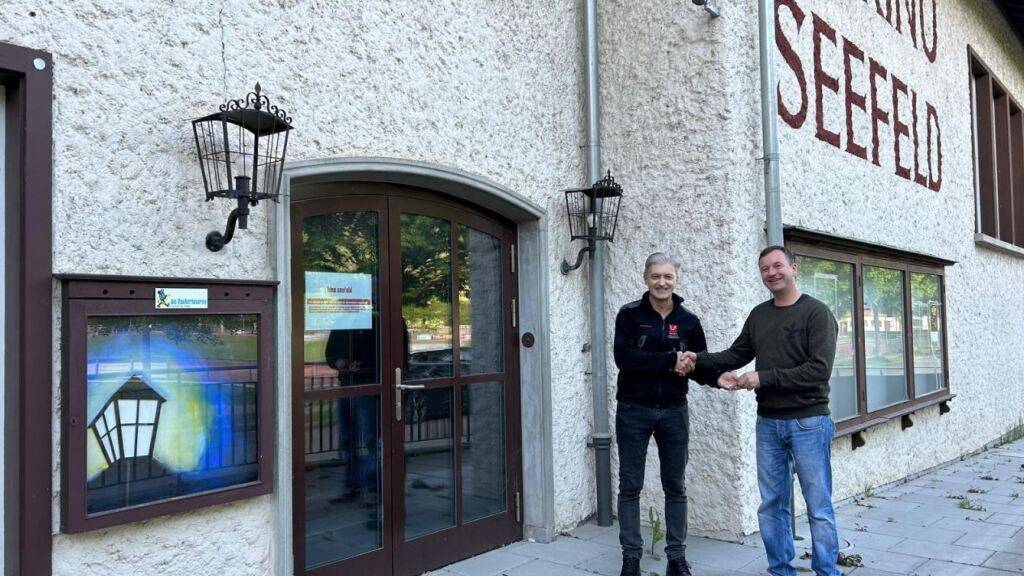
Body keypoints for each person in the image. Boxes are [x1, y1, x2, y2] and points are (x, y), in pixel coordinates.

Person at [682, 245, 840, 576]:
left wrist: (762, 377)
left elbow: (818, 370)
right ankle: (781, 571)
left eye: (778, 266)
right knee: (772, 506)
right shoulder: (759, 315)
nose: (772, 273)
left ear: (794, 268)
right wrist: (699, 359)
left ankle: (828, 571)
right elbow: (734, 355)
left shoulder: (817, 313)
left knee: (819, 506)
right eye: (765, 269)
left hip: (808, 421)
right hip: (768, 423)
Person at [613, 252, 723, 576]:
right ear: (645, 278)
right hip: (633, 409)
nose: (662, 282)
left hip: (674, 411)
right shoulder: (629, 315)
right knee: (630, 486)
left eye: (668, 277)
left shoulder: (689, 321)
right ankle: (630, 557)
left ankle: (676, 558)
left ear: (676, 280)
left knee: (675, 486)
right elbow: (624, 358)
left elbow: (697, 365)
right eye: (656, 276)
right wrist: (669, 360)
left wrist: (719, 378)